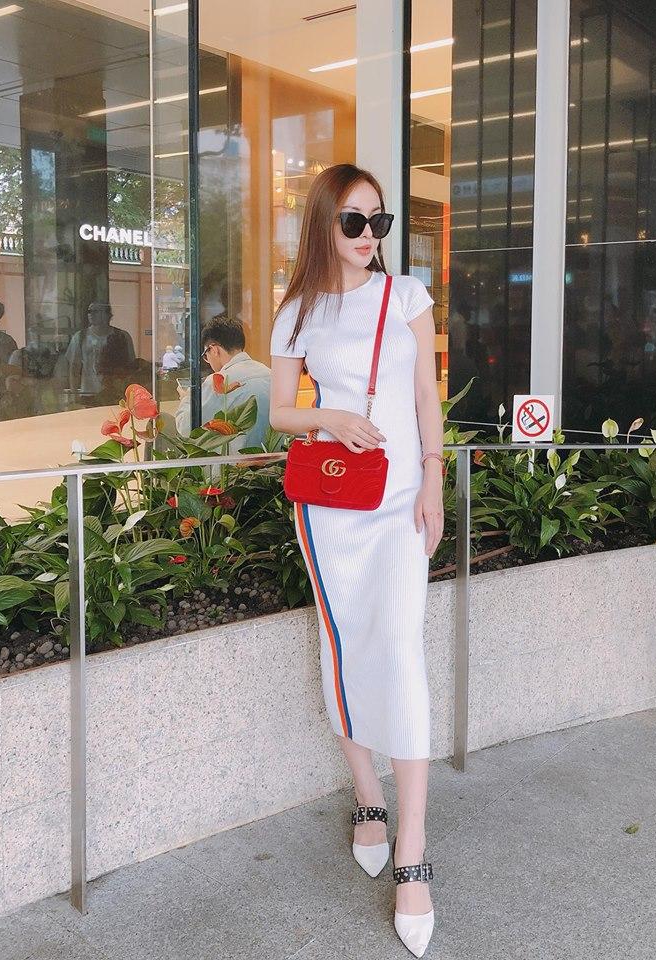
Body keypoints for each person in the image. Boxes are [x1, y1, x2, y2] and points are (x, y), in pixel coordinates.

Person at [268, 163, 444, 957]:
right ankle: (367, 795)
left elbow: (424, 398)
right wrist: (330, 415)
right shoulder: (298, 309)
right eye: (352, 221)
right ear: (323, 224)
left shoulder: (406, 296)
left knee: (399, 648)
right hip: (332, 505)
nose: (369, 235)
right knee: (342, 646)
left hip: (400, 501)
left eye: (379, 220)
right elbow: (279, 413)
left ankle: (412, 845)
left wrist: (434, 480)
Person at [174, 315, 271, 450]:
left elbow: (186, 428)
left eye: (205, 356)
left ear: (214, 350)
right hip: (273, 457)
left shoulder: (218, 380)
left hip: (235, 462)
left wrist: (187, 399)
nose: (207, 361)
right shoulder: (269, 373)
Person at [65, 301, 136, 400]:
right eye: (89, 311)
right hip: (88, 394)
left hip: (115, 394)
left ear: (107, 315)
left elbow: (131, 367)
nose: (91, 314)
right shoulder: (80, 337)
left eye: (96, 311)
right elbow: (74, 368)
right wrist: (74, 395)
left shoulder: (122, 336)